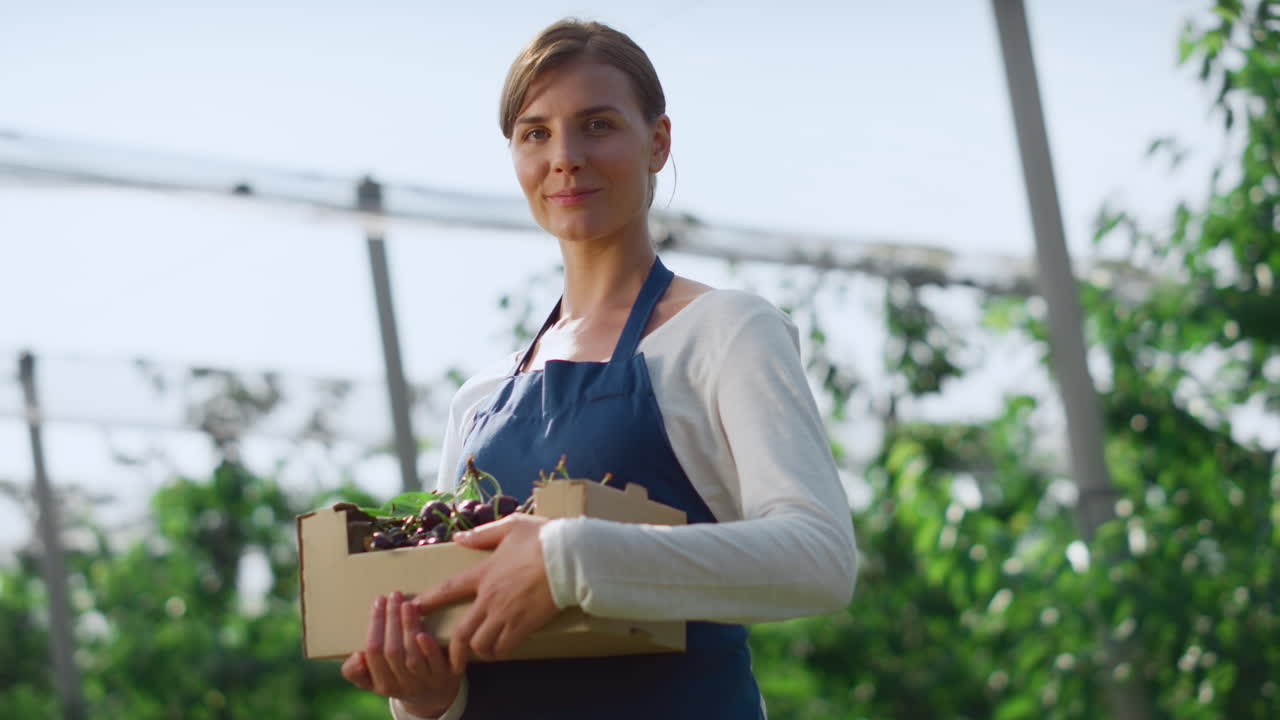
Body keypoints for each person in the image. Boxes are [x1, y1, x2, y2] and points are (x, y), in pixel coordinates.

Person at [340, 18, 858, 719]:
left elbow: (819, 561)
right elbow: (462, 648)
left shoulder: (726, 332)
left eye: (598, 125)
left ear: (658, 142)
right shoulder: (482, 399)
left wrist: (570, 560)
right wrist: (425, 696)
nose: (566, 157)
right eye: (536, 133)